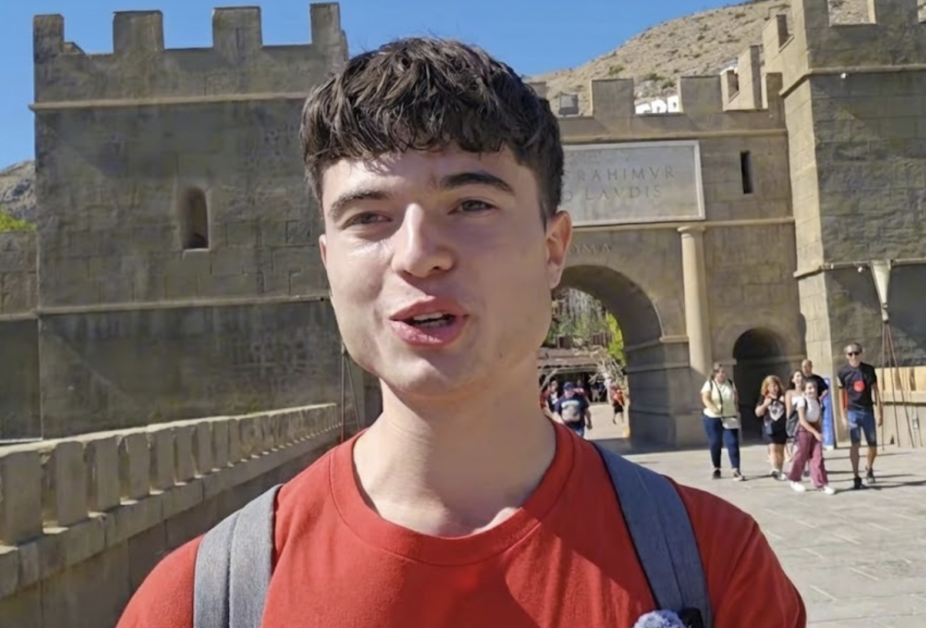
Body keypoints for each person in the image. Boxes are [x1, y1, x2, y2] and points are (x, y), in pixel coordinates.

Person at [116, 37, 805, 627]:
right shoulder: (196, 604)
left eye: (470, 203)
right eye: (368, 217)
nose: (418, 252)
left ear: (552, 247)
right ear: (328, 263)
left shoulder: (715, 569)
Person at [837, 342, 882, 490]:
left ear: (861, 354)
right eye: (850, 354)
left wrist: (879, 411)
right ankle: (856, 476)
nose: (853, 356)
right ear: (846, 356)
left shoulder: (868, 370)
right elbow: (841, 395)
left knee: (873, 446)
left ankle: (868, 467)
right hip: (852, 412)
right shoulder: (843, 372)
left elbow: (876, 391)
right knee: (855, 444)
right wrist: (843, 416)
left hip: (868, 411)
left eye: (856, 353)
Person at [787, 380, 836, 495]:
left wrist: (820, 432)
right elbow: (802, 421)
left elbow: (818, 418)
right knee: (801, 456)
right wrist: (815, 432)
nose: (812, 390)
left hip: (815, 430)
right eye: (809, 388)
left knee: (817, 457)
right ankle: (794, 479)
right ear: (804, 390)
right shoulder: (802, 401)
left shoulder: (817, 401)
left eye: (813, 388)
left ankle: (821, 483)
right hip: (804, 430)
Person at [700, 363, 745, 481]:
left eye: (724, 372)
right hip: (713, 417)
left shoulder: (730, 383)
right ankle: (716, 467)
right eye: (720, 372)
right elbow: (705, 397)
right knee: (715, 443)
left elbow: (735, 396)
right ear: (715, 373)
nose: (723, 374)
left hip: (729, 417)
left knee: (732, 442)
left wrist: (736, 408)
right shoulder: (709, 384)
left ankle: (736, 469)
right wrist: (713, 408)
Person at [755, 375, 788, 480]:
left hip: (781, 426)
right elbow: (758, 413)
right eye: (772, 386)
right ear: (767, 388)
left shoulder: (783, 396)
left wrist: (785, 402)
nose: (774, 388)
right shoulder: (764, 398)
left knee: (780, 449)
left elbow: (790, 410)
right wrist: (765, 405)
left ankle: (780, 469)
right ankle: (775, 469)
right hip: (769, 426)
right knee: (773, 447)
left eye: (776, 385)